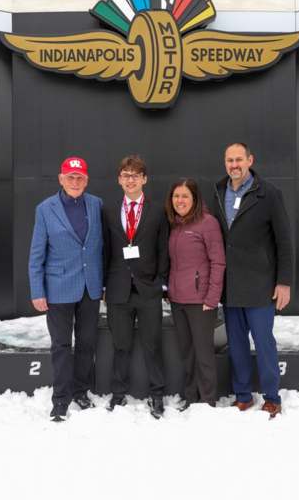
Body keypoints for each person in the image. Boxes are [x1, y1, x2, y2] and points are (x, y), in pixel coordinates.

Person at [213, 143, 293, 418]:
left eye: (238, 160)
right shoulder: (218, 191)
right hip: (231, 286)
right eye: (229, 160)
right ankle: (243, 395)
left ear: (250, 160)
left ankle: (272, 397)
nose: (233, 165)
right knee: (236, 344)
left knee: (264, 342)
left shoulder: (268, 193)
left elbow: (284, 241)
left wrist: (283, 282)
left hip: (260, 286)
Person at [28, 156, 104, 422]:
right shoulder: (45, 209)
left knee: (86, 344)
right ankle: (60, 399)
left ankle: (81, 391)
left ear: (86, 180)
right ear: (61, 179)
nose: (75, 182)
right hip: (58, 288)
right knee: (61, 345)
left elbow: (100, 247)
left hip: (90, 288)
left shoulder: (96, 205)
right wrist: (37, 290)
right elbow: (37, 253)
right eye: (70, 177)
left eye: (80, 177)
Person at [102, 155, 169, 418]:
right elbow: (105, 250)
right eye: (126, 175)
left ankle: (157, 394)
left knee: (152, 345)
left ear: (144, 179)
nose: (130, 179)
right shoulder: (108, 210)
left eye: (135, 175)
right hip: (118, 290)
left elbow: (163, 249)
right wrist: (105, 286)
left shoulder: (157, 210)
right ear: (119, 179)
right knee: (121, 346)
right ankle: (118, 394)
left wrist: (160, 283)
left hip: (148, 289)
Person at [165, 179, 225, 409]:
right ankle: (191, 396)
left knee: (203, 354)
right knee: (187, 353)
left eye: (185, 196)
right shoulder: (175, 224)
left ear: (195, 199)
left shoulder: (207, 223)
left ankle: (208, 399)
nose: (180, 201)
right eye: (176, 196)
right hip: (178, 300)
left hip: (200, 302)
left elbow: (218, 262)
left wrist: (212, 297)